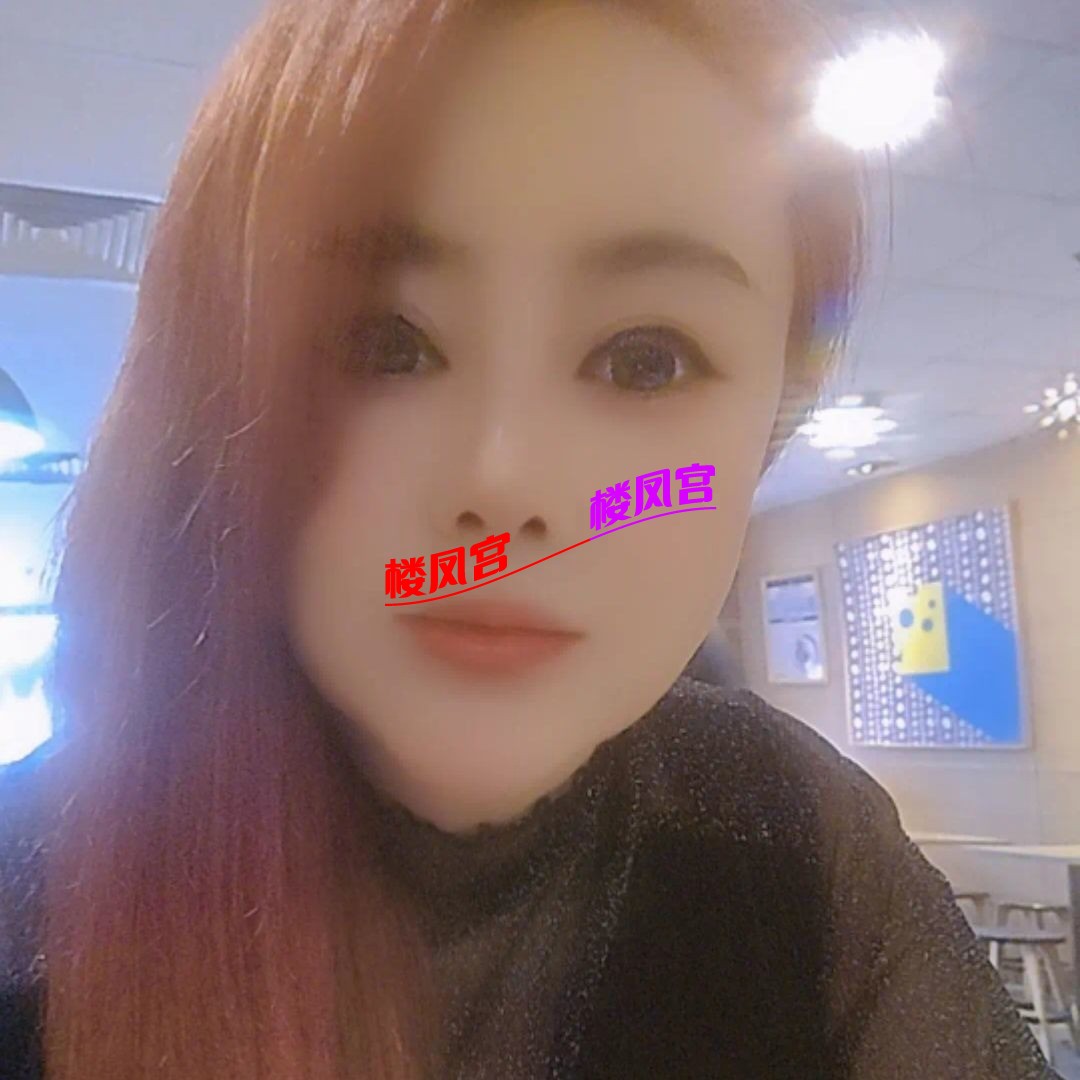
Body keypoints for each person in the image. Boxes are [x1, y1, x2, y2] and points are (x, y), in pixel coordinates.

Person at [0, 1, 1059, 1077]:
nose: (505, 484)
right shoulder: (26, 907)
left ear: (765, 434)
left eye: (645, 360)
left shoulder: (789, 837)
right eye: (384, 343)